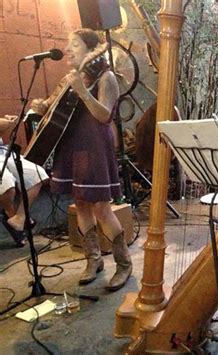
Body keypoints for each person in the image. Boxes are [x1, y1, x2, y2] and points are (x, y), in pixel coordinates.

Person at [30, 29, 132, 291]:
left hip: (95, 147)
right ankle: (93, 259)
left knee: (101, 207)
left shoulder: (106, 77)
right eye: (68, 44)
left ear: (91, 49)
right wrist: (42, 105)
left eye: (74, 44)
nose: (68, 49)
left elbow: (103, 115)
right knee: (81, 204)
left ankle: (123, 264)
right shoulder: (70, 78)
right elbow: (54, 108)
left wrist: (83, 92)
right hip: (71, 146)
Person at [0, 115, 48, 247]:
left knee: (38, 174)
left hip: (3, 151)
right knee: (7, 186)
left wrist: (8, 122)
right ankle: (10, 214)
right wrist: (8, 122)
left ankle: (19, 218)